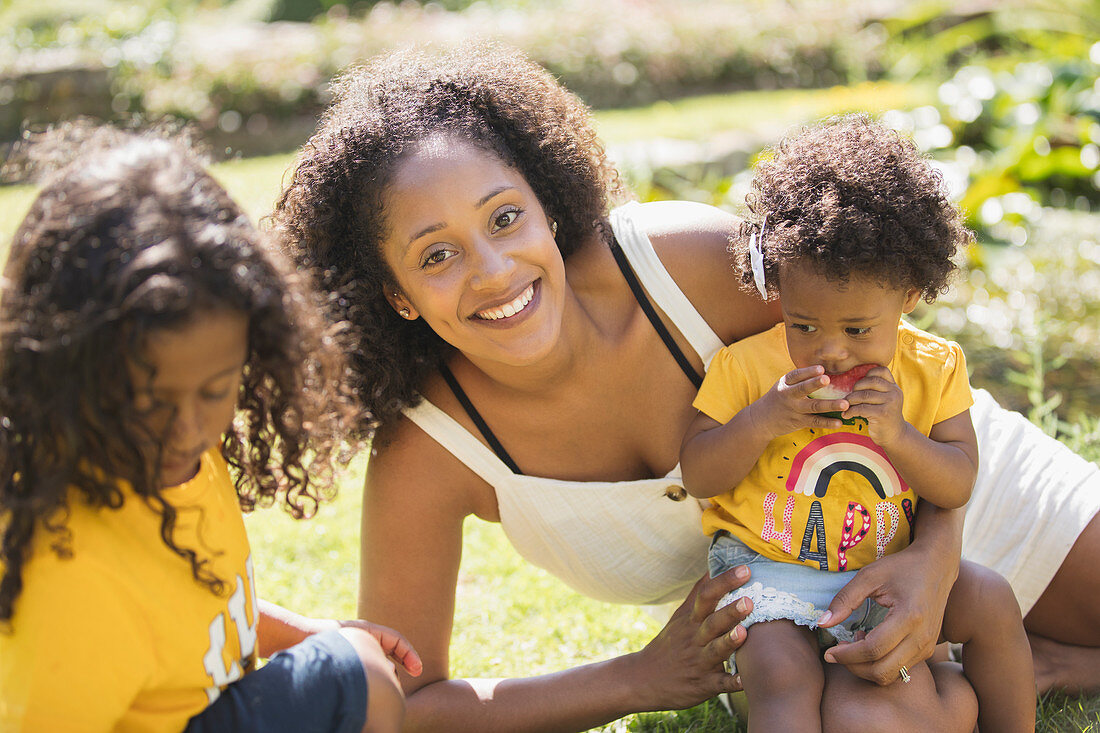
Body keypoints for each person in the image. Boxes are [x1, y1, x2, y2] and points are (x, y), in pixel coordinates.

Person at [273, 42, 1099, 731]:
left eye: (504, 217)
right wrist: (638, 677)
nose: (494, 272)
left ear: (544, 205)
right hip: (812, 614)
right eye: (436, 255)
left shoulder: (682, 270)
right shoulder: (432, 450)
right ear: (395, 294)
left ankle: (1055, 654)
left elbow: (887, 338)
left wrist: (937, 558)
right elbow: (407, 701)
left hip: (964, 499)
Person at [0, 128, 423, 733]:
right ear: (66, 368)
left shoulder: (188, 459)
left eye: (215, 389)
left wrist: (308, 633)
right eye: (147, 401)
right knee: (357, 677)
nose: (186, 429)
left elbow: (196, 609)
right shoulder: (65, 575)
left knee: (348, 661)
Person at [679, 116, 1034, 732]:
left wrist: (898, 435)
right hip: (771, 574)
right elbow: (701, 472)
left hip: (885, 570)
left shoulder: (933, 368)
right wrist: (763, 419)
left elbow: (956, 484)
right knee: (782, 676)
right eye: (804, 325)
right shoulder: (747, 367)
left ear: (909, 296)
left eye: (856, 330)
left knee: (992, 598)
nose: (830, 352)